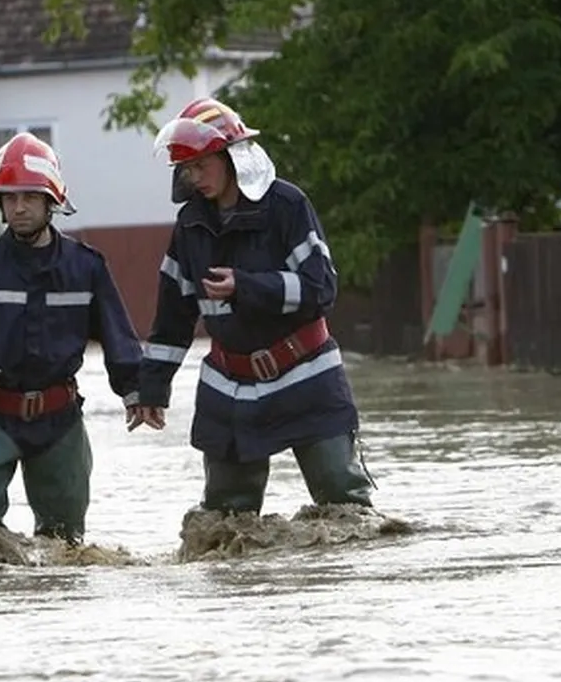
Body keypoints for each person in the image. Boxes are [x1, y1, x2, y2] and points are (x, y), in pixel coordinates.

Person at [128, 97, 377, 516]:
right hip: (231, 387)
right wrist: (153, 388)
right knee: (225, 524)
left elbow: (322, 288)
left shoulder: (287, 206)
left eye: (201, 165)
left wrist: (247, 286)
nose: (194, 177)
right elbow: (173, 317)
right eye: (186, 169)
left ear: (232, 157)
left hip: (307, 376)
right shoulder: (189, 225)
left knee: (344, 506)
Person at [0, 131, 145, 545]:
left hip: (59, 419)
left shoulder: (87, 267)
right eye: (9, 198)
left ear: (51, 201)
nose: (18, 207)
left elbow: (118, 336)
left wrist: (136, 392)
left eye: (28, 197)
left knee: (66, 548)